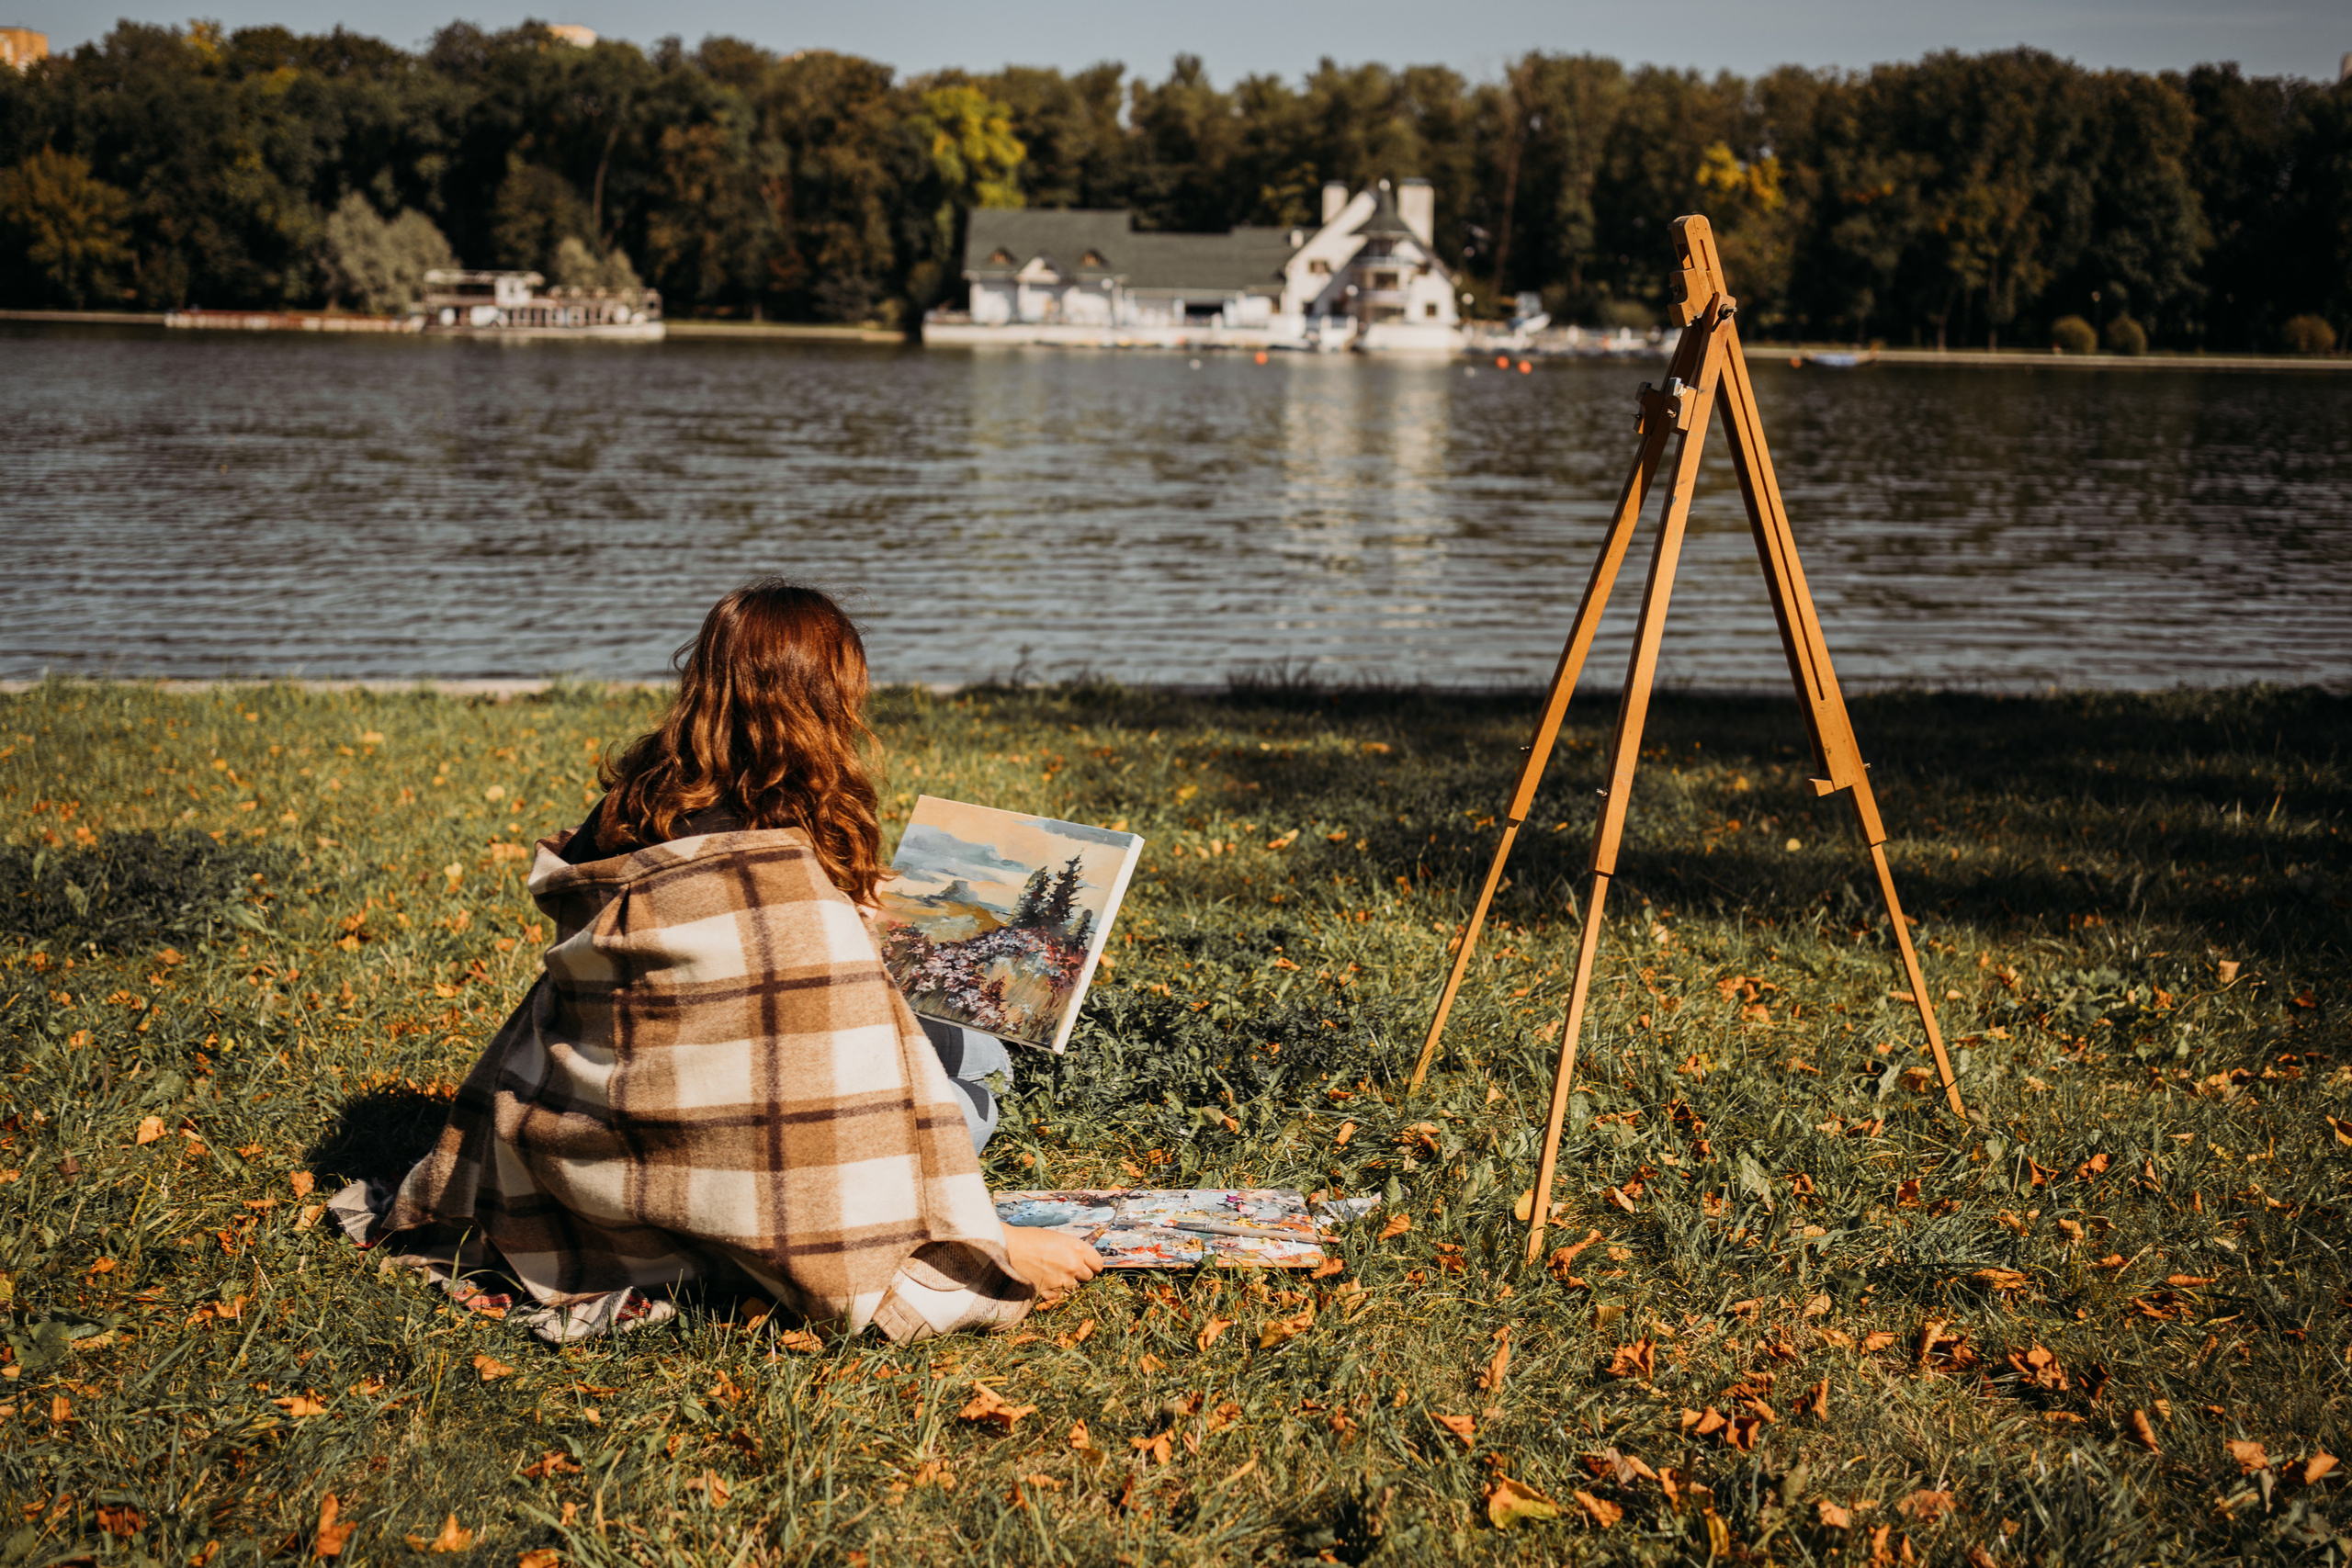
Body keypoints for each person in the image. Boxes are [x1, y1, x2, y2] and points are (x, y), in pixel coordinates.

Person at [345, 580, 1099, 1344]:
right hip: (717, 1137)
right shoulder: (782, 866)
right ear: (824, 700)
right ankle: (744, 1239)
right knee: (975, 1099)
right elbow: (815, 1030)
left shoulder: (631, 808)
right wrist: (993, 1237)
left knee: (978, 1051)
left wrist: (845, 917)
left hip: (594, 1118)